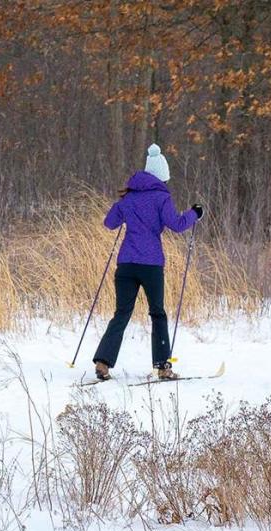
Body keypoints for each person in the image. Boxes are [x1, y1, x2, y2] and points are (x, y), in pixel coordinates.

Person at [93, 144, 203, 381]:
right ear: (161, 176)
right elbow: (177, 225)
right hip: (151, 265)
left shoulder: (129, 197)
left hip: (126, 265)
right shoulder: (162, 197)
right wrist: (195, 213)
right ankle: (163, 367)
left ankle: (103, 363)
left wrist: (122, 205)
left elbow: (109, 223)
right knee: (158, 313)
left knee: (121, 313)